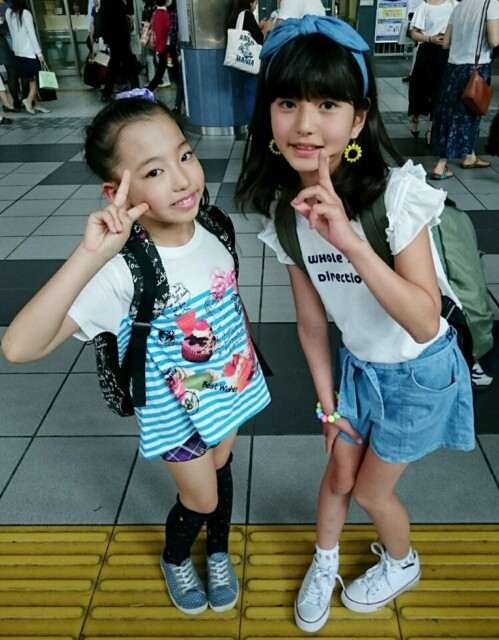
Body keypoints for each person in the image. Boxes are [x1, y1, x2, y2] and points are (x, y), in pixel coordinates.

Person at [235, 15, 474, 634]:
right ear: (268, 116)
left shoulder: (396, 196)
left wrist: (348, 240)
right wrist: (327, 405)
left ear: (359, 120)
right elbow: (312, 324)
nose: (305, 124)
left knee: (370, 492)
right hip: (358, 371)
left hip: (418, 374)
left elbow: (423, 321)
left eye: (328, 104)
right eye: (287, 103)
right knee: (339, 472)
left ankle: (402, 562)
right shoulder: (285, 215)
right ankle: (326, 560)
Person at [1, 89, 271, 615]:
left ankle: (218, 551)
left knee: (221, 466)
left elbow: (229, 301)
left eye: (184, 155)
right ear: (116, 192)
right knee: (201, 497)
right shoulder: (122, 271)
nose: (183, 179)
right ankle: (177, 557)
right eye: (154, 171)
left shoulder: (214, 226)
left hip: (229, 385)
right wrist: (90, 254)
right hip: (173, 411)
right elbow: (18, 347)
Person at [429, 0, 499, 180]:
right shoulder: (491, 4)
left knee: (449, 112)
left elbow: (446, 43)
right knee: (467, 114)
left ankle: (470, 156)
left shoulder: (460, 6)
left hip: (452, 67)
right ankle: (440, 166)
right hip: (475, 69)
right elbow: (494, 40)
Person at [407, 0, 455, 145]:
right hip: (427, 51)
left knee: (438, 90)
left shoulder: (453, 5)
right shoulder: (424, 6)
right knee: (418, 88)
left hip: (445, 52)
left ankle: (431, 128)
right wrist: (430, 38)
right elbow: (414, 33)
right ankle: (415, 116)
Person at [5, 0, 50, 115]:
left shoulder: (9, 12)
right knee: (36, 78)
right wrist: (39, 53)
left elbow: (11, 32)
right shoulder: (25, 13)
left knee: (30, 78)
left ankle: (37, 104)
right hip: (29, 52)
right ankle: (29, 100)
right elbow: (32, 34)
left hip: (18, 51)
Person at [226, 0, 266, 124]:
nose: (256, 7)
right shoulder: (247, 14)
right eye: (256, 3)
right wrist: (265, 29)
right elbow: (259, 39)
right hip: (249, 63)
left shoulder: (234, 15)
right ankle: (252, 126)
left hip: (238, 62)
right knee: (252, 96)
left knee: (243, 96)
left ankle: (246, 125)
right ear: (250, 2)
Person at [100, 0, 141, 101]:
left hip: (118, 38)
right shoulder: (110, 2)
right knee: (128, 63)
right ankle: (135, 89)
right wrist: (106, 39)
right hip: (117, 38)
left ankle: (107, 93)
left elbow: (130, 11)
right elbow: (104, 19)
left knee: (116, 65)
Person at [0, 0, 23, 112]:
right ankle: (15, 101)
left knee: (12, 71)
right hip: (5, 43)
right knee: (12, 71)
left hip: (7, 42)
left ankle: (15, 101)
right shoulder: (5, 7)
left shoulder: (6, 6)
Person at [146, 0, 171, 92]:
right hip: (165, 44)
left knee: (161, 67)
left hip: (160, 45)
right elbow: (168, 27)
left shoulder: (156, 13)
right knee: (163, 66)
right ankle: (150, 87)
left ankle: (151, 87)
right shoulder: (164, 14)